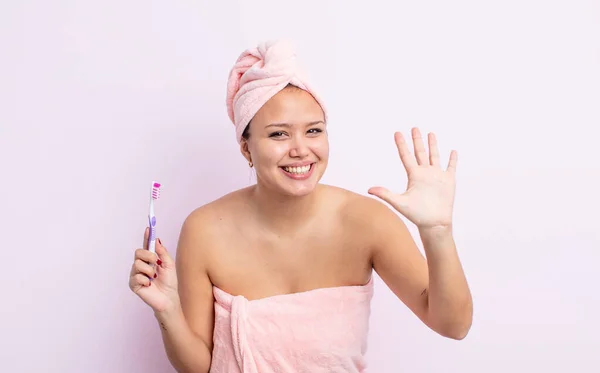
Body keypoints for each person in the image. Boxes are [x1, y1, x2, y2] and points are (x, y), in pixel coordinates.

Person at [128, 40, 473, 373]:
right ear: (246, 149)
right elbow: (200, 367)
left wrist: (437, 231)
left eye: (313, 131)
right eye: (278, 134)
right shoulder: (204, 229)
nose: (300, 150)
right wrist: (169, 310)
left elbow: (453, 326)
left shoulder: (367, 222)